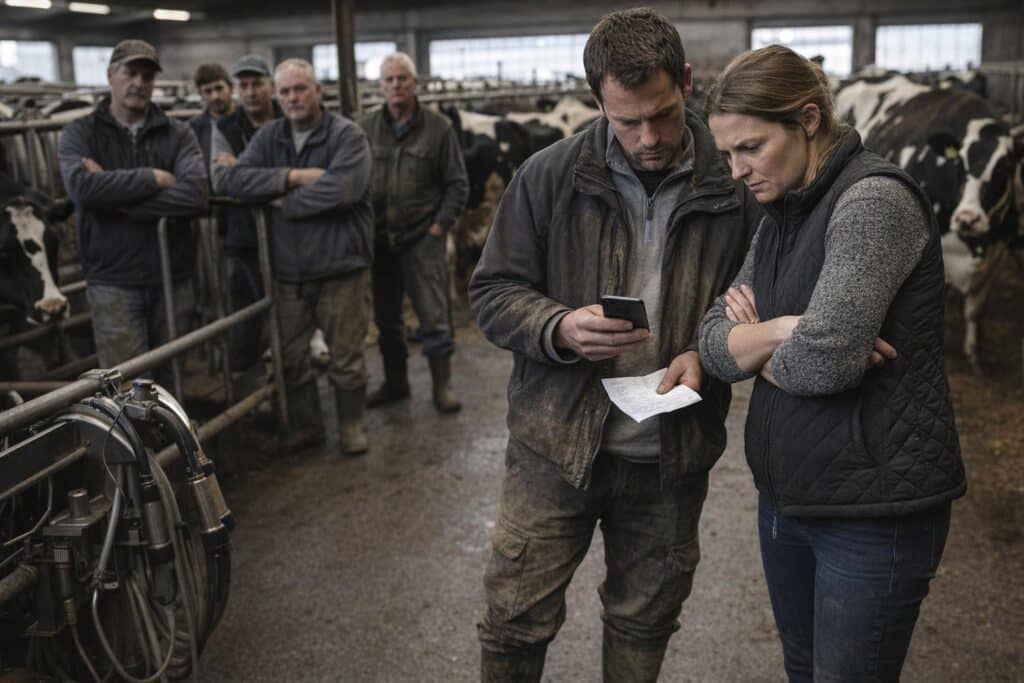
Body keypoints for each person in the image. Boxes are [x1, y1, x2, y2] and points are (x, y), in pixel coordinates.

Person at [469, 9, 762, 681]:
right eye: (627, 121)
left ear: (687, 81)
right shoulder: (549, 176)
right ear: (596, 100)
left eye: (662, 113)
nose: (650, 137)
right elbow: (491, 292)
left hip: (670, 452)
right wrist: (559, 326)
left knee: (643, 619)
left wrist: (713, 348)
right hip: (556, 448)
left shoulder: (735, 183)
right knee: (514, 619)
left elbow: (760, 299)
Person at [697, 45, 966, 682]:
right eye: (726, 154)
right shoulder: (781, 213)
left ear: (809, 120)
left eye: (751, 148)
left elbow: (825, 365)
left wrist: (756, 339)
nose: (737, 172)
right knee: (803, 667)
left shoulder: (872, 202)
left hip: (872, 511)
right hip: (789, 497)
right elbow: (710, 341)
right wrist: (785, 332)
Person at [226, 59, 373, 455]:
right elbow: (236, 181)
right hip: (288, 269)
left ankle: (351, 425)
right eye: (285, 91)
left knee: (345, 353)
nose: (292, 98)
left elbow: (344, 190)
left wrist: (281, 203)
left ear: (317, 91)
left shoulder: (348, 136)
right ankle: (308, 427)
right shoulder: (270, 136)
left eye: (300, 89)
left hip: (341, 265)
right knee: (291, 356)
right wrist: (290, 177)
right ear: (278, 95)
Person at [58, 39, 207, 391]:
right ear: (111, 76)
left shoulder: (178, 132)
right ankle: (139, 448)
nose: (139, 83)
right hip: (114, 279)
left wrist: (120, 202)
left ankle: (173, 446)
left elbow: (196, 195)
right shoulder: (80, 133)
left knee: (173, 378)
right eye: (131, 73)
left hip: (172, 274)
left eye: (147, 75)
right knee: (126, 383)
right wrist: (153, 178)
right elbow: (82, 188)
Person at [358, 52, 469, 413]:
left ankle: (443, 387)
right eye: (389, 80)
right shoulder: (365, 127)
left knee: (433, 316)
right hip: (380, 241)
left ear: (415, 84)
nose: (396, 86)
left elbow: (457, 184)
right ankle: (396, 383)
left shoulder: (439, 128)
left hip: (423, 238)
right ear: (380, 86)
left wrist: (438, 228)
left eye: (402, 79)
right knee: (387, 319)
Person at [210, 55, 283, 374]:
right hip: (244, 240)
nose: (251, 92)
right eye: (244, 85)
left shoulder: (289, 117)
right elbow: (221, 181)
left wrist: (241, 168)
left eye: (257, 84)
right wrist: (282, 178)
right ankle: (250, 398)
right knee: (247, 320)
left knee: (290, 319)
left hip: (293, 234)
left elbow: (308, 172)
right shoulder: (225, 126)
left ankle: (291, 391)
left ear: (272, 87)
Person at [189, 62, 235, 167]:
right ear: (201, 95)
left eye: (219, 88)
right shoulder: (193, 130)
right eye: (208, 91)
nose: (215, 96)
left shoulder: (247, 121)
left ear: (231, 88)